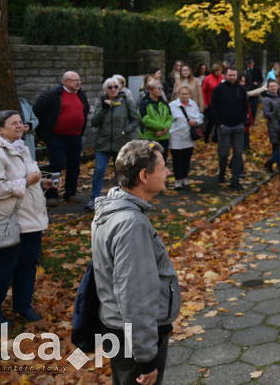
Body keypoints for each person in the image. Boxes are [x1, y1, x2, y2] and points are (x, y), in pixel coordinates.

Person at [91, 140, 181, 385]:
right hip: (133, 341)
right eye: (162, 167)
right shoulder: (131, 224)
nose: (167, 172)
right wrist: (145, 358)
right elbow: (136, 296)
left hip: (120, 332)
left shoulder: (112, 210)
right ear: (144, 175)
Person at [0, 110, 52, 326]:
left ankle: (23, 307)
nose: (20, 126)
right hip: (8, 220)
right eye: (14, 123)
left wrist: (40, 183)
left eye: (21, 122)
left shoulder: (21, 149)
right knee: (4, 266)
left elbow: (26, 179)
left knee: (27, 265)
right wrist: (28, 182)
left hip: (30, 219)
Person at [33, 71, 90, 204]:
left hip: (75, 137)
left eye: (79, 80)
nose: (78, 83)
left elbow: (84, 112)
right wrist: (43, 133)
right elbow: (36, 111)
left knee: (74, 166)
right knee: (56, 166)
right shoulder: (53, 95)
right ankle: (52, 195)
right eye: (75, 80)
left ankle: (70, 193)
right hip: (57, 137)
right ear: (66, 82)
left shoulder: (81, 95)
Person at [88, 76, 141, 210]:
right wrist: (104, 108)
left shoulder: (126, 101)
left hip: (121, 143)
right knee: (99, 171)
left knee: (121, 173)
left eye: (116, 87)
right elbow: (94, 122)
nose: (113, 89)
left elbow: (135, 120)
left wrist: (125, 131)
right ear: (105, 89)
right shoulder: (101, 102)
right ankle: (94, 199)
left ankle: (121, 199)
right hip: (103, 143)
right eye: (110, 87)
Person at [211, 66, 250, 191]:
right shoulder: (218, 90)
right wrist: (219, 124)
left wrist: (242, 122)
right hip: (224, 127)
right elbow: (213, 107)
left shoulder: (241, 90)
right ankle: (222, 173)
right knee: (223, 154)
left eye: (234, 75)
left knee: (238, 154)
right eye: (230, 75)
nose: (232, 77)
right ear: (225, 75)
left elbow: (245, 106)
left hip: (238, 127)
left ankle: (235, 180)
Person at [169, 85, 203, 189]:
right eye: (182, 94)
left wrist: (196, 121)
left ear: (189, 94)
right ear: (178, 94)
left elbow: (200, 117)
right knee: (177, 159)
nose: (185, 96)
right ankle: (178, 179)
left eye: (187, 94)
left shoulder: (193, 104)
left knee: (186, 159)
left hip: (188, 136)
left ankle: (185, 176)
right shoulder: (172, 105)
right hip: (175, 136)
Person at [139, 78, 172, 161]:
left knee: (162, 160)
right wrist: (162, 127)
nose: (161, 90)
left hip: (164, 137)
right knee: (150, 161)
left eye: (162, 88)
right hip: (149, 138)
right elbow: (145, 119)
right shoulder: (144, 103)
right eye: (158, 88)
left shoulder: (164, 103)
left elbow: (170, 117)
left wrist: (165, 129)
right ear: (150, 90)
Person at [261, 79, 280, 176]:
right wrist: (276, 114)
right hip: (273, 126)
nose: (274, 88)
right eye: (271, 86)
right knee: (276, 147)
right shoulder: (266, 99)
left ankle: (270, 163)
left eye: (275, 86)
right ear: (268, 88)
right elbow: (266, 113)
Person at [200, 63, 223, 143]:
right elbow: (203, 91)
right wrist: (205, 102)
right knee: (211, 121)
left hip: (220, 103)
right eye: (217, 71)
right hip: (210, 103)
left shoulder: (222, 78)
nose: (219, 73)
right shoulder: (207, 78)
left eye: (220, 71)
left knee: (219, 121)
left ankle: (216, 138)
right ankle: (206, 136)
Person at [244, 58, 264, 122]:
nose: (250, 65)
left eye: (251, 63)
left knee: (254, 107)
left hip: (255, 91)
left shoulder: (257, 70)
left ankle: (252, 121)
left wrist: (257, 83)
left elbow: (261, 79)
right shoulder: (244, 71)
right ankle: (246, 120)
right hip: (247, 91)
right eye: (249, 64)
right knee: (246, 106)